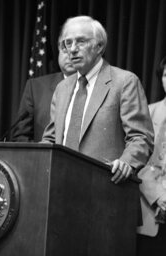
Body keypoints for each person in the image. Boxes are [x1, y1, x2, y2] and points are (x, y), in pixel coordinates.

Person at [42, 15, 154, 184]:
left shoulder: (124, 82)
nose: (72, 49)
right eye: (67, 43)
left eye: (80, 41)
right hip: (60, 186)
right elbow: (51, 139)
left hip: (105, 187)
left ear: (99, 46)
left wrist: (127, 162)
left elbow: (140, 137)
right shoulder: (62, 89)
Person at [11, 38, 76, 142]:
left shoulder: (101, 86)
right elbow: (21, 137)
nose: (69, 56)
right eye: (64, 50)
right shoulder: (36, 87)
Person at [137, 56, 166, 256]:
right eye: (165, 74)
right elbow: (138, 161)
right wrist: (160, 197)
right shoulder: (148, 113)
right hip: (151, 211)